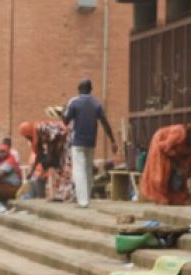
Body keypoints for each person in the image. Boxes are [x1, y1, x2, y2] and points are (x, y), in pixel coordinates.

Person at [64, 80, 117, 208]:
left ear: (79, 89)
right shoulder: (96, 104)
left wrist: (63, 111)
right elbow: (105, 123)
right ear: (91, 89)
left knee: (79, 170)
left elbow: (65, 121)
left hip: (78, 142)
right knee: (88, 170)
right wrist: (113, 141)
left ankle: (83, 202)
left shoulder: (74, 103)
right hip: (91, 142)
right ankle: (86, 197)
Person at [139, 121, 191, 205]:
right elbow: (164, 146)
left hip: (174, 153)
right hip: (160, 145)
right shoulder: (180, 133)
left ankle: (175, 197)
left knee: (181, 173)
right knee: (162, 172)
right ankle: (161, 197)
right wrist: (175, 158)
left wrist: (183, 167)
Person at [18, 112, 68, 200]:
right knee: (51, 165)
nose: (26, 138)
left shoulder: (41, 129)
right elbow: (39, 156)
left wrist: (50, 155)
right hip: (57, 147)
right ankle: (60, 194)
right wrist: (31, 172)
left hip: (66, 139)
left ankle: (65, 194)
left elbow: (53, 138)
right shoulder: (37, 140)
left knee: (62, 169)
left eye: (26, 136)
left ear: (28, 133)